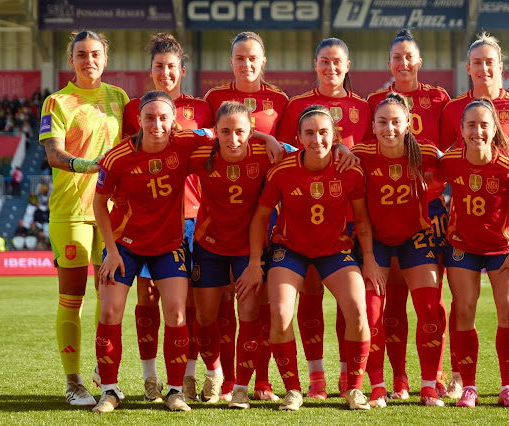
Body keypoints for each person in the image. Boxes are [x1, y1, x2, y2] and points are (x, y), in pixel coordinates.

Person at [241, 105, 385, 411]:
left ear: (334, 136)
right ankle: (293, 390)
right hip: (289, 249)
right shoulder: (282, 170)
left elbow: (361, 220)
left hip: (335, 249)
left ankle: (355, 390)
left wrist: (369, 259)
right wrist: (255, 263)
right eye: (309, 132)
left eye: (323, 132)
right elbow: (260, 218)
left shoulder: (350, 170)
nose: (316, 139)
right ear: (299, 137)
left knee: (358, 310)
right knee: (280, 314)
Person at [439, 33, 509, 399]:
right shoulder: (453, 110)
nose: (484, 68)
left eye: (490, 62)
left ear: (500, 67)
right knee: (462, 305)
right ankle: (458, 376)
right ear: (467, 68)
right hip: (467, 222)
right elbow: (442, 165)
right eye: (477, 63)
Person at [92, 90, 209, 413]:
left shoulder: (184, 144)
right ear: (139, 120)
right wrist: (111, 252)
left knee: (176, 312)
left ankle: (174, 391)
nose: (156, 124)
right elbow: (99, 203)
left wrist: (263, 139)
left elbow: (219, 131)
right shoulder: (117, 157)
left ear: (173, 121)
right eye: (149, 118)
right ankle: (110, 390)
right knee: (110, 311)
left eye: (162, 118)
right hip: (124, 248)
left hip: (168, 245)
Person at [275, 37, 374, 398]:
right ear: (314, 64)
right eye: (324, 62)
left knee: (349, 300)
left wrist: (350, 151)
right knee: (311, 296)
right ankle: (316, 377)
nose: (330, 68)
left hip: (350, 214)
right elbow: (287, 152)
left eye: (337, 62)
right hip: (305, 216)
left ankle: (349, 377)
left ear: (348, 66)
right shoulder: (297, 105)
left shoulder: (364, 107)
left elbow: (370, 152)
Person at [120, 33, 215, 403]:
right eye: (158, 67)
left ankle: (187, 377)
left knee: (186, 301)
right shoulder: (133, 109)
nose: (165, 73)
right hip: (146, 217)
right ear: (151, 71)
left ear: (182, 70)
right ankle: (149, 378)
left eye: (171, 67)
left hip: (192, 215)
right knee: (146, 298)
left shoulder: (202, 108)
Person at [39, 30, 129, 406]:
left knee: (108, 299)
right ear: (71, 60)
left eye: (95, 54)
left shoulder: (119, 98)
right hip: (71, 211)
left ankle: (103, 374)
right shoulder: (57, 102)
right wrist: (92, 165)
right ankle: (73, 382)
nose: (89, 60)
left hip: (112, 214)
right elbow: (54, 156)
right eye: (81, 54)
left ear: (105, 59)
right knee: (71, 297)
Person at [203, 31, 289, 401]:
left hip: (265, 214)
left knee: (259, 303)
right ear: (231, 61)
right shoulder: (214, 98)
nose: (246, 64)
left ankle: (262, 381)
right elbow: (205, 141)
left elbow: (290, 150)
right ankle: (221, 378)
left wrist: (272, 141)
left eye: (253, 57)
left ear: (263, 61)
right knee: (219, 302)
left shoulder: (279, 100)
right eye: (240, 57)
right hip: (220, 212)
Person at [366, 29, 451, 400]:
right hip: (380, 218)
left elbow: (455, 161)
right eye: (396, 57)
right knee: (383, 306)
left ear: (419, 62)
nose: (402, 63)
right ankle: (392, 380)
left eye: (408, 57)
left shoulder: (439, 101)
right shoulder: (373, 105)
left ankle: (436, 379)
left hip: (425, 216)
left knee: (432, 303)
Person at [436, 97, 509, 408]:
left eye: (484, 125)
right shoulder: (449, 161)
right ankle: (469, 387)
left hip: (500, 249)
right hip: (462, 246)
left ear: (494, 130)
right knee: (464, 311)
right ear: (461, 130)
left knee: (507, 312)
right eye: (471, 125)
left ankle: (508, 387)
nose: (477, 130)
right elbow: (430, 183)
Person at [351, 92, 445, 407]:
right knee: (373, 313)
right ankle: (378, 386)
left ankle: (430, 386)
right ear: (373, 127)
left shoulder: (428, 154)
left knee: (430, 309)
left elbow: (460, 169)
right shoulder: (360, 153)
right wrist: (367, 259)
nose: (389, 128)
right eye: (382, 122)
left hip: (415, 238)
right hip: (374, 240)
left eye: (396, 122)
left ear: (408, 125)